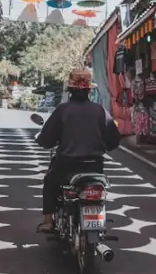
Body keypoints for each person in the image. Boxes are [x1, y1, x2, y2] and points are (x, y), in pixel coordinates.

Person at [34, 69, 121, 233]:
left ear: (70, 89)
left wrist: (42, 140)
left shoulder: (63, 110)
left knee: (50, 182)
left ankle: (48, 221)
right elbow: (114, 140)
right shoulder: (100, 111)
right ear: (89, 90)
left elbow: (47, 139)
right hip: (95, 166)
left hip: (66, 165)